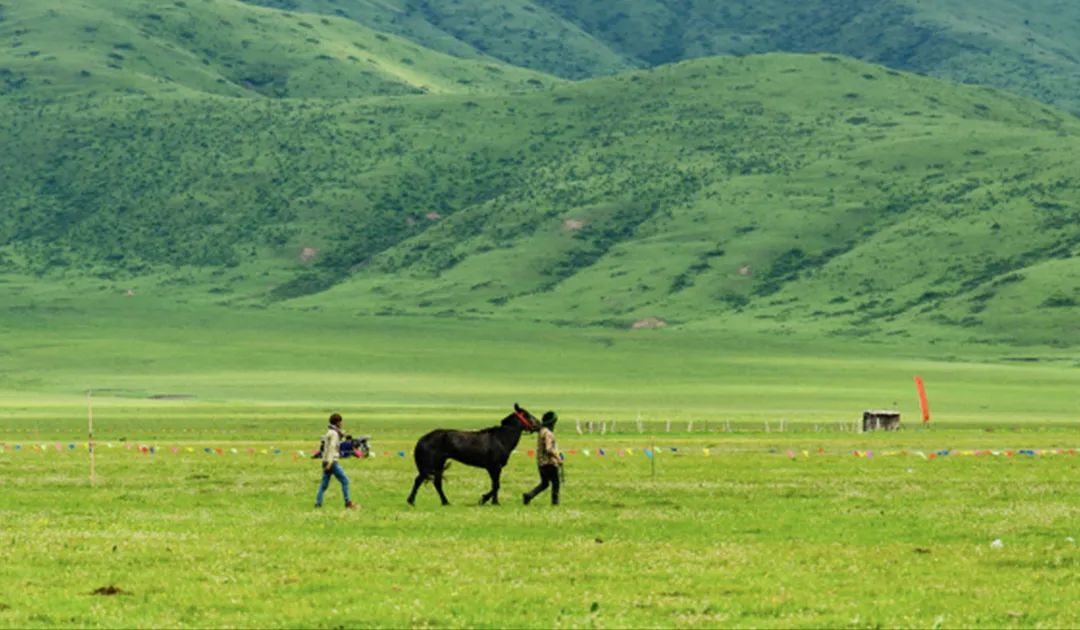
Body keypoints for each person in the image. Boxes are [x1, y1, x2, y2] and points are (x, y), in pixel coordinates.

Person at [315, 413, 356, 509]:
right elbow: (332, 448)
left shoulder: (329, 432)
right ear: (337, 422)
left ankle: (318, 503)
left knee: (324, 485)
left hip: (325, 461)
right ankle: (348, 502)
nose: (342, 424)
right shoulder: (334, 434)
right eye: (340, 422)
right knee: (345, 481)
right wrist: (330, 462)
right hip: (332, 462)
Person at [523, 411, 561, 506]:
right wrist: (558, 458)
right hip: (549, 462)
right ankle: (555, 503)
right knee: (556, 483)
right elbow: (549, 449)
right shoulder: (548, 433)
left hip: (541, 462)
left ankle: (529, 495)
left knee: (544, 483)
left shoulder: (541, 431)